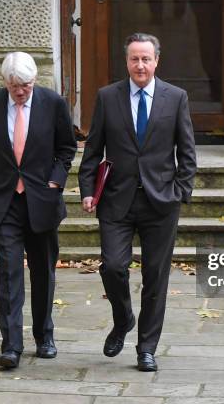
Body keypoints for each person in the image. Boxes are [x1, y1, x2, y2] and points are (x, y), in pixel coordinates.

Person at [78, 33, 197, 371]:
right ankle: (123, 318)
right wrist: (88, 189)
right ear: (127, 62)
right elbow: (92, 149)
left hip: (161, 202)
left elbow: (187, 151)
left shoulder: (176, 98)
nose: (140, 65)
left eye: (146, 59)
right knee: (113, 266)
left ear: (156, 61)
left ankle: (147, 348)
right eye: (134, 59)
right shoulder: (107, 97)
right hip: (117, 200)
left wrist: (181, 191)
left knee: (156, 277)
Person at [0, 51, 76, 368]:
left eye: (26, 85)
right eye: (15, 86)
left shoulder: (54, 103)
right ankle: (11, 346)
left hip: (41, 201)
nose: (21, 92)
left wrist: (56, 183)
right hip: (3, 202)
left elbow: (67, 148)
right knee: (9, 272)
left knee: (43, 272)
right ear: (5, 82)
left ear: (35, 80)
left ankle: (44, 336)